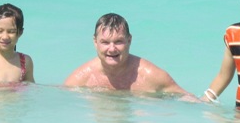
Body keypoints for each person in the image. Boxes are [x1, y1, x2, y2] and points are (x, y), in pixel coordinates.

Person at [64, 13, 193, 97]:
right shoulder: (82, 78)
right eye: (105, 42)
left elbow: (185, 97)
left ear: (129, 41)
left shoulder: (151, 76)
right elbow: (62, 98)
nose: (112, 49)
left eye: (118, 42)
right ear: (95, 42)